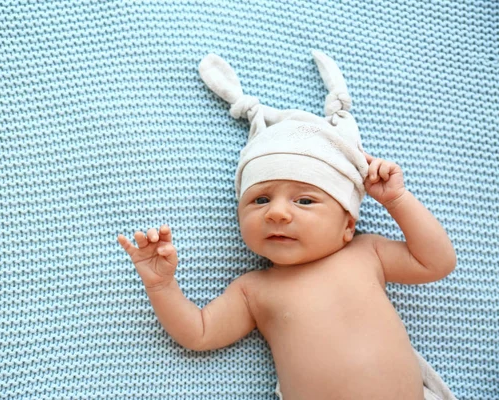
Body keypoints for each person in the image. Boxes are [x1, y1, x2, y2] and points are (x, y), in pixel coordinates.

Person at [117, 51, 457, 399]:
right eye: (260, 200)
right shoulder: (254, 291)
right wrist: (162, 286)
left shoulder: (367, 253)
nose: (276, 213)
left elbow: (436, 262)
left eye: (305, 200)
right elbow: (199, 332)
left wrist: (396, 200)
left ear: (348, 225)